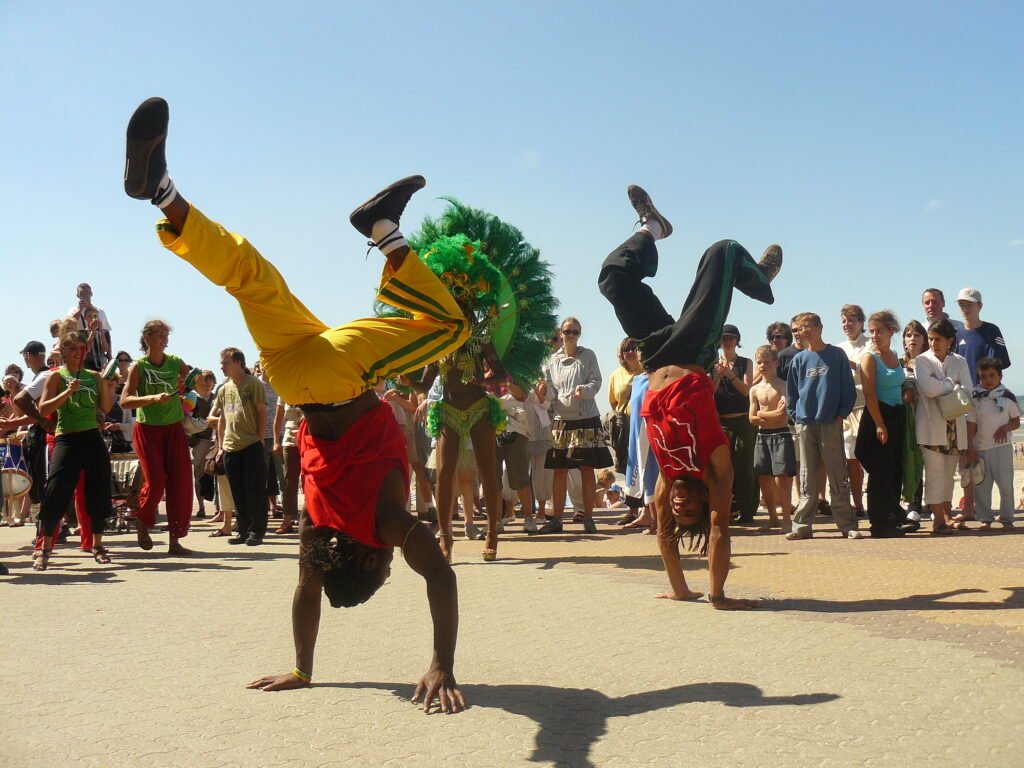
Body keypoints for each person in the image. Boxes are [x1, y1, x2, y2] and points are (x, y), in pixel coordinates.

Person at [124, 97, 467, 710]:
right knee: (248, 275)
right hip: (289, 372)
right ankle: (164, 195)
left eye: (383, 572)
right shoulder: (317, 534)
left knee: (451, 326)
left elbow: (439, 575)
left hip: (338, 375)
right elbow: (306, 592)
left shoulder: (383, 527)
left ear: (374, 562)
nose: (392, 569)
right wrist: (301, 669)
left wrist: (443, 664)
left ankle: (383, 231)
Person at [598, 183, 777, 609]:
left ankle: (652, 229)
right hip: (694, 350)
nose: (679, 504)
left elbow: (663, 533)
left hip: (655, 350)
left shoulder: (665, 481)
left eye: (678, 510)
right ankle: (759, 277)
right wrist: (716, 595)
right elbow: (718, 531)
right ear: (703, 499)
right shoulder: (713, 465)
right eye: (689, 508)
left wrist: (680, 588)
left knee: (612, 277)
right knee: (722, 251)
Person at [33, 324, 116, 569]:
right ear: (65, 351)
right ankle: (46, 548)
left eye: (81, 348)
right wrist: (66, 393)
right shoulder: (56, 376)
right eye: (72, 349)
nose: (78, 353)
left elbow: (105, 409)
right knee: (57, 491)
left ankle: (98, 545)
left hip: (91, 438)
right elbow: (44, 409)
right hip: (67, 439)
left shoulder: (95, 376)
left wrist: (108, 387)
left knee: (98, 491)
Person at [118, 319, 195, 554]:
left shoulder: (175, 362)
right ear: (147, 338)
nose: (164, 339)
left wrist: (188, 385)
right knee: (156, 481)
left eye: (165, 335)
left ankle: (175, 540)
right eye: (159, 335)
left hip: (173, 428)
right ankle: (143, 521)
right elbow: (125, 400)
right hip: (148, 428)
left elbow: (192, 381)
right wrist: (151, 398)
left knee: (181, 482)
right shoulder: (138, 366)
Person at [784, 313, 861, 540]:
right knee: (807, 476)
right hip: (805, 425)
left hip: (830, 423)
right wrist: (796, 417)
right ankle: (802, 526)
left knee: (837, 474)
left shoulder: (836, 355)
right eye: (798, 328)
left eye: (807, 326)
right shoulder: (798, 360)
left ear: (820, 327)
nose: (803, 331)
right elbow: (792, 394)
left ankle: (847, 525)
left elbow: (848, 390)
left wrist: (840, 416)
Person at [534, 316, 612, 534]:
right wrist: (542, 392)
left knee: (587, 469)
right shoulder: (551, 361)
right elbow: (549, 391)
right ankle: (556, 520)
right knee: (559, 470)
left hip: (585, 418)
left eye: (575, 332)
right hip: (561, 420)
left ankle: (588, 518)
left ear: (579, 334)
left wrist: (584, 391)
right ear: (561, 333)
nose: (570, 336)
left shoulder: (588, 355)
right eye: (567, 331)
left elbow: (596, 381)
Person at [913, 318, 972, 534]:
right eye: (930, 338)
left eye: (938, 339)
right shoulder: (922, 360)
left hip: (955, 427)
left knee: (949, 475)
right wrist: (951, 385)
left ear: (950, 340)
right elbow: (928, 389)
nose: (933, 343)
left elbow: (968, 390)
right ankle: (937, 519)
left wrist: (946, 387)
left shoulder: (960, 361)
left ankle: (947, 515)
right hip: (931, 426)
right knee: (935, 474)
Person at [854, 311, 908, 538]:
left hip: (896, 416)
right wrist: (879, 424)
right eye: (872, 331)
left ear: (891, 331)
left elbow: (901, 383)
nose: (874, 335)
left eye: (879, 331)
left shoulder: (895, 354)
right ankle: (879, 524)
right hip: (878, 416)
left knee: (894, 471)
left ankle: (892, 517)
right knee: (879, 473)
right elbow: (869, 394)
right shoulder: (869, 357)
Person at [211, 348, 268, 546]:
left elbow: (262, 412)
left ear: (238, 362)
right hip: (230, 447)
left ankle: (256, 531)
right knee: (237, 491)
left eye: (225, 362)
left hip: (251, 444)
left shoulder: (254, 384)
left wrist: (260, 440)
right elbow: (221, 419)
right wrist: (220, 447)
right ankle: (242, 530)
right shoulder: (224, 388)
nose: (221, 366)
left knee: (255, 490)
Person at [966, 358, 1019, 529]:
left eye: (991, 376)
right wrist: (970, 447)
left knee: (1005, 483)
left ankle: (1006, 517)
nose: (987, 380)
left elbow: (1016, 421)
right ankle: (985, 517)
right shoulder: (975, 397)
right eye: (983, 377)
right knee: (981, 485)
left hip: (1002, 448)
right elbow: (971, 425)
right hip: (981, 448)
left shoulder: (1007, 396)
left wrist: (1005, 427)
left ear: (1000, 376)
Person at [713, 324, 756, 524]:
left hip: (744, 421)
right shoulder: (712, 364)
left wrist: (730, 374)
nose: (728, 342)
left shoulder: (745, 362)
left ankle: (747, 511)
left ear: (737, 340)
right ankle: (727, 509)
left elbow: (746, 390)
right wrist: (718, 375)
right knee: (723, 469)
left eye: (731, 338)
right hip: (721, 423)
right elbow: (709, 393)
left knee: (745, 466)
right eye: (724, 339)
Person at [748, 345, 794, 532]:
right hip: (762, 436)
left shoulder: (783, 385)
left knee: (781, 478)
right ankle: (772, 517)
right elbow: (751, 418)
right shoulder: (754, 390)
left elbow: (782, 416)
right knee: (764, 477)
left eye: (766, 361)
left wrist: (763, 413)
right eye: (759, 362)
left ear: (776, 363)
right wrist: (768, 413)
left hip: (781, 434)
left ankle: (786, 519)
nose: (762, 365)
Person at [838, 304, 869, 518]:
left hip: (867, 407)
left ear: (861, 323)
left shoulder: (870, 345)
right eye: (844, 321)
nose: (847, 325)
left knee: (868, 457)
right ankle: (857, 504)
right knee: (851, 459)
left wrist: (852, 366)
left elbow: (869, 374)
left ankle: (876, 500)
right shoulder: (838, 348)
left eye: (851, 320)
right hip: (846, 410)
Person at [900, 320, 928, 528]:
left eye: (917, 335)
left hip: (928, 418)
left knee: (930, 464)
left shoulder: (930, 362)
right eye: (909, 335)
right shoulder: (897, 363)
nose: (912, 339)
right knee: (911, 463)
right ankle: (912, 507)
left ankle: (935, 506)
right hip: (905, 420)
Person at [606, 337, 643, 475]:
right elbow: (613, 402)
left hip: (644, 425)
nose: (631, 352)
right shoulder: (615, 375)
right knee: (628, 467)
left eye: (635, 348)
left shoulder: (649, 370)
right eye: (627, 349)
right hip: (625, 428)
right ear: (621, 354)